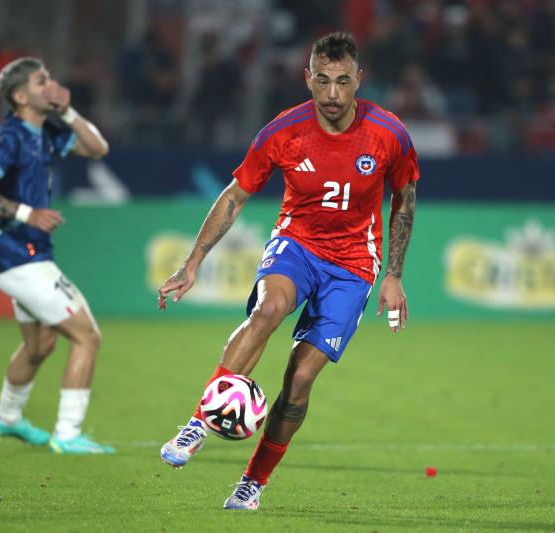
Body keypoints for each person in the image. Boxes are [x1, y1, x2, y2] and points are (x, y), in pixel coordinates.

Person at [157, 32, 419, 509]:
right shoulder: (283, 131)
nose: (333, 93)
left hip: (353, 265)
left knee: (299, 381)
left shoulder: (389, 133)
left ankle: (252, 482)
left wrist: (394, 275)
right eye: (323, 80)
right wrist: (192, 261)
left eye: (343, 81)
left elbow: (405, 198)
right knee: (269, 309)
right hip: (296, 244)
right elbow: (235, 195)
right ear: (308, 79)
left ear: (359, 79)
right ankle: (197, 424)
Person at [0, 57, 114, 454]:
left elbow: (98, 148)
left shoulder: (45, 130)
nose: (50, 85)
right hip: (19, 256)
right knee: (87, 336)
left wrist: (68, 111)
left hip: (26, 254)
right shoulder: (10, 136)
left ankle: (7, 418)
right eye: (40, 81)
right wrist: (27, 214)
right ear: (20, 96)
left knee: (40, 346)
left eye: (49, 78)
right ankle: (67, 433)